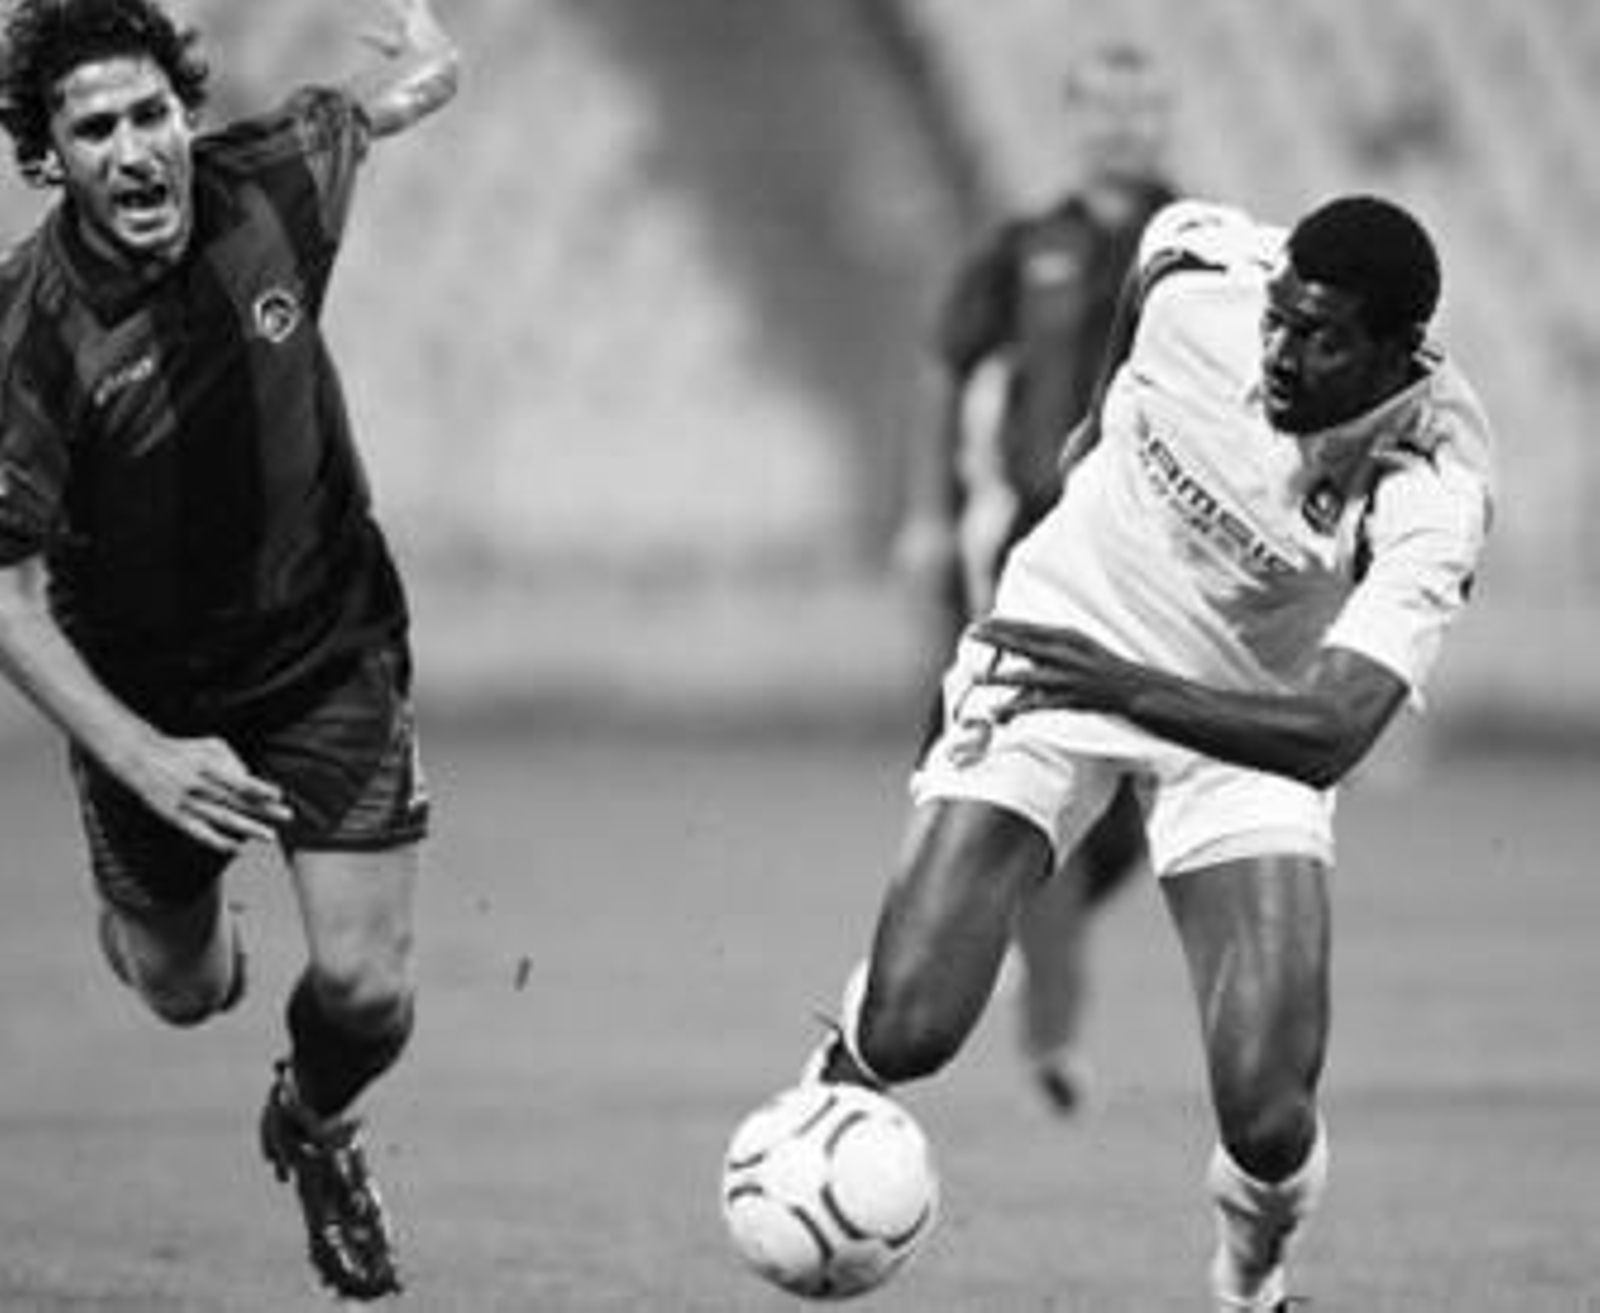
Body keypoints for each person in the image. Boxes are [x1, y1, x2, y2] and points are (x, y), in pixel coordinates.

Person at [805, 193, 1494, 1310]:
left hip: (1248, 718)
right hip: (1062, 629)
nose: (1281, 353)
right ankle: (834, 1082)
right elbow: (1154, 259)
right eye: (1279, 320)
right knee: (911, 1027)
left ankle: (1251, 1282)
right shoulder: (1210, 276)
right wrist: (1097, 419)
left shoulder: (1431, 485)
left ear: (1395, 348)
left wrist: (1124, 689)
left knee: (1268, 1115)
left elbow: (1328, 733)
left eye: (1321, 339)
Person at [0, 0, 459, 1299]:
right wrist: (142, 757)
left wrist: (427, 43)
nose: (134, 149)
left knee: (367, 991)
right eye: (96, 129)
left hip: (327, 646)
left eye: (151, 114)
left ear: (183, 113)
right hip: (147, 696)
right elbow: (7, 598)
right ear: (50, 157)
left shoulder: (275, 175)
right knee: (184, 986)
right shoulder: (27, 334)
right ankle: (157, 916)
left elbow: (409, 91)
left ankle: (314, 1124)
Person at [895, 42, 1181, 1111]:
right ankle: (1044, 1029)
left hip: (1162, 554)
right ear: (1076, 120)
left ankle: (1000, 917)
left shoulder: (1203, 245)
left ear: (1161, 118)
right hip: (1035, 544)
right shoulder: (1023, 248)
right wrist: (928, 513)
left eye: (1139, 106)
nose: (1122, 125)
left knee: (1155, 791)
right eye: (1104, 106)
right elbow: (945, 370)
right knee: (1019, 759)